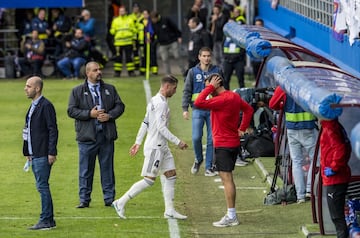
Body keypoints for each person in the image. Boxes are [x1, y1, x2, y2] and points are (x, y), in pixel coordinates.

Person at [112, 75, 188, 220]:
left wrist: (138, 141)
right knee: (149, 180)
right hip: (156, 147)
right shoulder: (161, 104)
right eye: (174, 88)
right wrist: (178, 142)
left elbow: (145, 123)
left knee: (171, 175)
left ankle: (169, 210)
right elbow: (161, 128)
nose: (175, 91)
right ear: (166, 87)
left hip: (162, 148)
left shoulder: (154, 100)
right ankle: (120, 202)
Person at [194, 73, 253, 227]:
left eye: (210, 84)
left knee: (227, 180)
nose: (208, 88)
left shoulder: (221, 100)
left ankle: (231, 215)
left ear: (217, 83)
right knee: (227, 179)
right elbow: (248, 110)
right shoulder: (233, 96)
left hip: (224, 145)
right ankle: (231, 214)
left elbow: (198, 102)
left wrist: (210, 87)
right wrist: (242, 128)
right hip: (231, 143)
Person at [67, 61, 125, 208]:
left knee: (107, 169)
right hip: (87, 137)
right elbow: (71, 110)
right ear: (88, 73)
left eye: (99, 69)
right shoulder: (77, 91)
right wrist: (89, 114)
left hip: (106, 135)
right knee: (85, 170)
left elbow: (120, 106)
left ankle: (109, 199)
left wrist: (110, 116)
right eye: (95, 70)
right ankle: (84, 200)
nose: (99, 72)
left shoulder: (110, 89)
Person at [269, 86, 317, 203]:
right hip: (308, 128)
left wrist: (282, 105)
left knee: (296, 161)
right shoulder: (309, 83)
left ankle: (300, 196)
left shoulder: (284, 84)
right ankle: (309, 190)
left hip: (291, 129)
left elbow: (272, 104)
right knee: (316, 159)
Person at [23, 76, 58, 230]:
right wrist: (27, 151)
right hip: (34, 153)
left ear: (37, 88)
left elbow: (53, 129)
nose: (25, 89)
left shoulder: (46, 105)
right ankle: (48, 220)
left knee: (42, 186)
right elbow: (28, 131)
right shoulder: (32, 106)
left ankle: (46, 220)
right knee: (41, 186)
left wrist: (51, 152)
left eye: (28, 86)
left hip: (43, 153)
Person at [182, 47, 223, 176]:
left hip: (213, 110)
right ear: (199, 57)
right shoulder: (192, 72)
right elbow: (187, 90)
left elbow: (223, 90)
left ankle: (208, 167)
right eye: (204, 56)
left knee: (212, 140)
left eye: (208, 56)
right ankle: (198, 159)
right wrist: (185, 109)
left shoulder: (217, 71)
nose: (206, 58)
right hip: (198, 110)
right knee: (196, 137)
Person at [320, 118, 351, 238]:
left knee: (337, 217)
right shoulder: (335, 126)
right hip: (338, 177)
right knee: (338, 217)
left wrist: (334, 167)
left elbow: (341, 149)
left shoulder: (330, 128)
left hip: (335, 180)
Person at [150, 11, 182, 75]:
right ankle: (168, 74)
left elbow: (174, 27)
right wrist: (151, 39)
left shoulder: (166, 20)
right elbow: (153, 33)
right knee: (164, 59)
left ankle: (184, 72)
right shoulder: (153, 24)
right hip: (162, 44)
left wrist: (179, 36)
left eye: (153, 19)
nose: (153, 20)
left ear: (157, 17)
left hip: (172, 41)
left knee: (177, 56)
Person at [110, 5, 137, 77]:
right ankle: (117, 72)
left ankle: (131, 72)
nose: (121, 12)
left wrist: (133, 38)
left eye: (122, 11)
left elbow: (134, 30)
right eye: (120, 11)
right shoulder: (115, 20)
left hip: (128, 42)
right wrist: (113, 30)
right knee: (118, 59)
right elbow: (112, 31)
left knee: (129, 58)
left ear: (126, 12)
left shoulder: (130, 19)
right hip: (118, 43)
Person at [222, 12, 246, 90]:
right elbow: (223, 47)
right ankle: (226, 97)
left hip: (238, 60)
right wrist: (225, 56)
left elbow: (243, 47)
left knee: (241, 80)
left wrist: (238, 57)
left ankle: (243, 97)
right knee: (225, 80)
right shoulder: (225, 35)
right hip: (227, 60)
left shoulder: (240, 35)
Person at [138, 9, 158, 76]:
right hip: (142, 42)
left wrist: (151, 38)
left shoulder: (151, 21)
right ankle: (143, 70)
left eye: (146, 14)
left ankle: (154, 70)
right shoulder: (140, 22)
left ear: (148, 14)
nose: (145, 15)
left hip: (151, 41)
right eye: (144, 14)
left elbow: (154, 31)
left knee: (152, 55)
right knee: (143, 56)